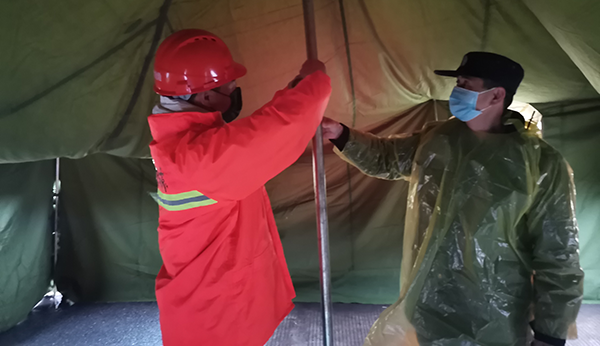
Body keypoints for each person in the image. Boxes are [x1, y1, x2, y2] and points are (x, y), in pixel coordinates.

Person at [322, 52, 584, 346]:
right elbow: (387, 158)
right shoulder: (439, 138)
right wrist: (340, 134)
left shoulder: (540, 163)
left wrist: (550, 334)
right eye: (457, 83)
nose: (456, 92)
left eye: (466, 84)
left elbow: (558, 252)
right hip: (430, 300)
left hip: (496, 312)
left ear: (497, 95)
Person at [148, 29, 331, 346]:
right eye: (229, 87)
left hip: (206, 307)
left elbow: (252, 133)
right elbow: (278, 127)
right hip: (214, 317)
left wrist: (296, 87)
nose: (234, 92)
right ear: (205, 97)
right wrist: (314, 82)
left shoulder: (184, 145)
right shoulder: (201, 157)